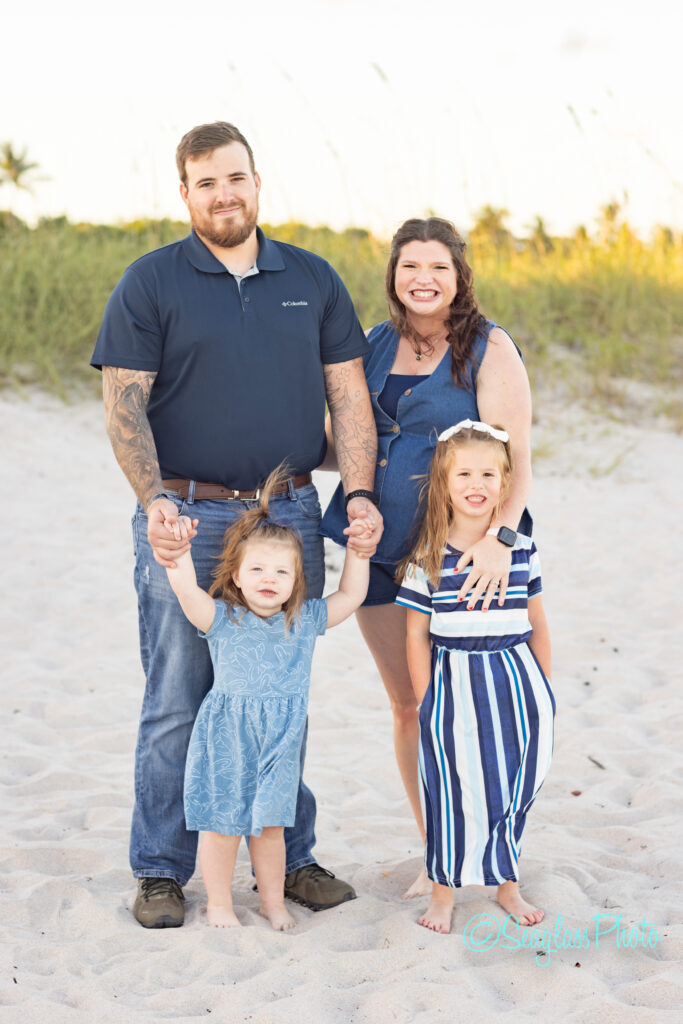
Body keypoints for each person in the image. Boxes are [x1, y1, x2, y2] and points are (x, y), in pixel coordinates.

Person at [91, 121, 383, 928]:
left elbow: (349, 397)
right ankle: (160, 869)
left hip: (288, 513)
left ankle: (288, 857)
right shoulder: (151, 282)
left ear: (258, 182)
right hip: (185, 513)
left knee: (278, 695)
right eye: (206, 182)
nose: (224, 194)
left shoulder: (312, 279)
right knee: (178, 697)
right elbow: (125, 405)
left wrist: (356, 494)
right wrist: (156, 501)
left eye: (235, 178)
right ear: (183, 193)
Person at [321, 217, 532, 897]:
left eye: (437, 267)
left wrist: (500, 540)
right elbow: (343, 437)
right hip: (377, 549)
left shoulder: (487, 347)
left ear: (457, 275)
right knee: (408, 705)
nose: (423, 279)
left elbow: (516, 458)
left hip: (458, 559)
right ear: (392, 275)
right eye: (410, 266)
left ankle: (492, 851)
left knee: (465, 707)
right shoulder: (374, 343)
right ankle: (437, 847)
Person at [164, 466, 370, 930]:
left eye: (282, 571)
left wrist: (358, 550)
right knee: (222, 825)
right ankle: (218, 903)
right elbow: (186, 590)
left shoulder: (303, 621)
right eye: (256, 569)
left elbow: (352, 594)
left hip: (280, 740)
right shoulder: (222, 618)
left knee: (272, 826)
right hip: (228, 735)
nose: (269, 578)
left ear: (297, 581)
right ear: (236, 577)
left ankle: (273, 901)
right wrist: (177, 557)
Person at [396, 420, 554, 934]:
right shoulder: (427, 560)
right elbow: (417, 635)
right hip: (453, 683)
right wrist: (426, 700)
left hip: (513, 679)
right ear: (444, 483)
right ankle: (444, 892)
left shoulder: (521, 552)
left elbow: (537, 625)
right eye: (463, 473)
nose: (476, 484)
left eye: (489, 473)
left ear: (505, 484)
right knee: (449, 786)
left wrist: (544, 693)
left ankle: (506, 885)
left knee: (511, 785)